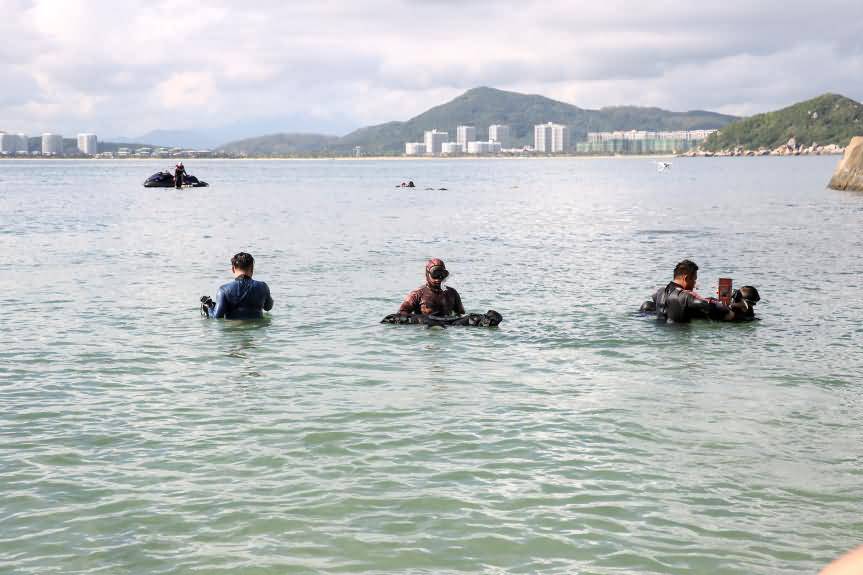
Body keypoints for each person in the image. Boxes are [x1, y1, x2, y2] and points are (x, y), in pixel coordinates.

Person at [641, 259, 741, 323]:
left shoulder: (660, 292)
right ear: (686, 278)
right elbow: (706, 305)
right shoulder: (686, 296)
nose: (694, 284)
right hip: (681, 340)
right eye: (694, 280)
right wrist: (728, 306)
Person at [204, 252, 273, 319]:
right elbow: (268, 307)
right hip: (257, 326)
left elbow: (217, 316)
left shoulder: (224, 290)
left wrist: (210, 306)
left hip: (234, 326)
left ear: (233, 269)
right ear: (252, 268)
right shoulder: (263, 287)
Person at [398, 258, 465, 317]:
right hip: (425, 326)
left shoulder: (452, 293)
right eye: (435, 274)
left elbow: (461, 314)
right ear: (427, 274)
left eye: (441, 274)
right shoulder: (417, 294)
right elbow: (401, 313)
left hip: (447, 325)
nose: (438, 279)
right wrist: (419, 319)